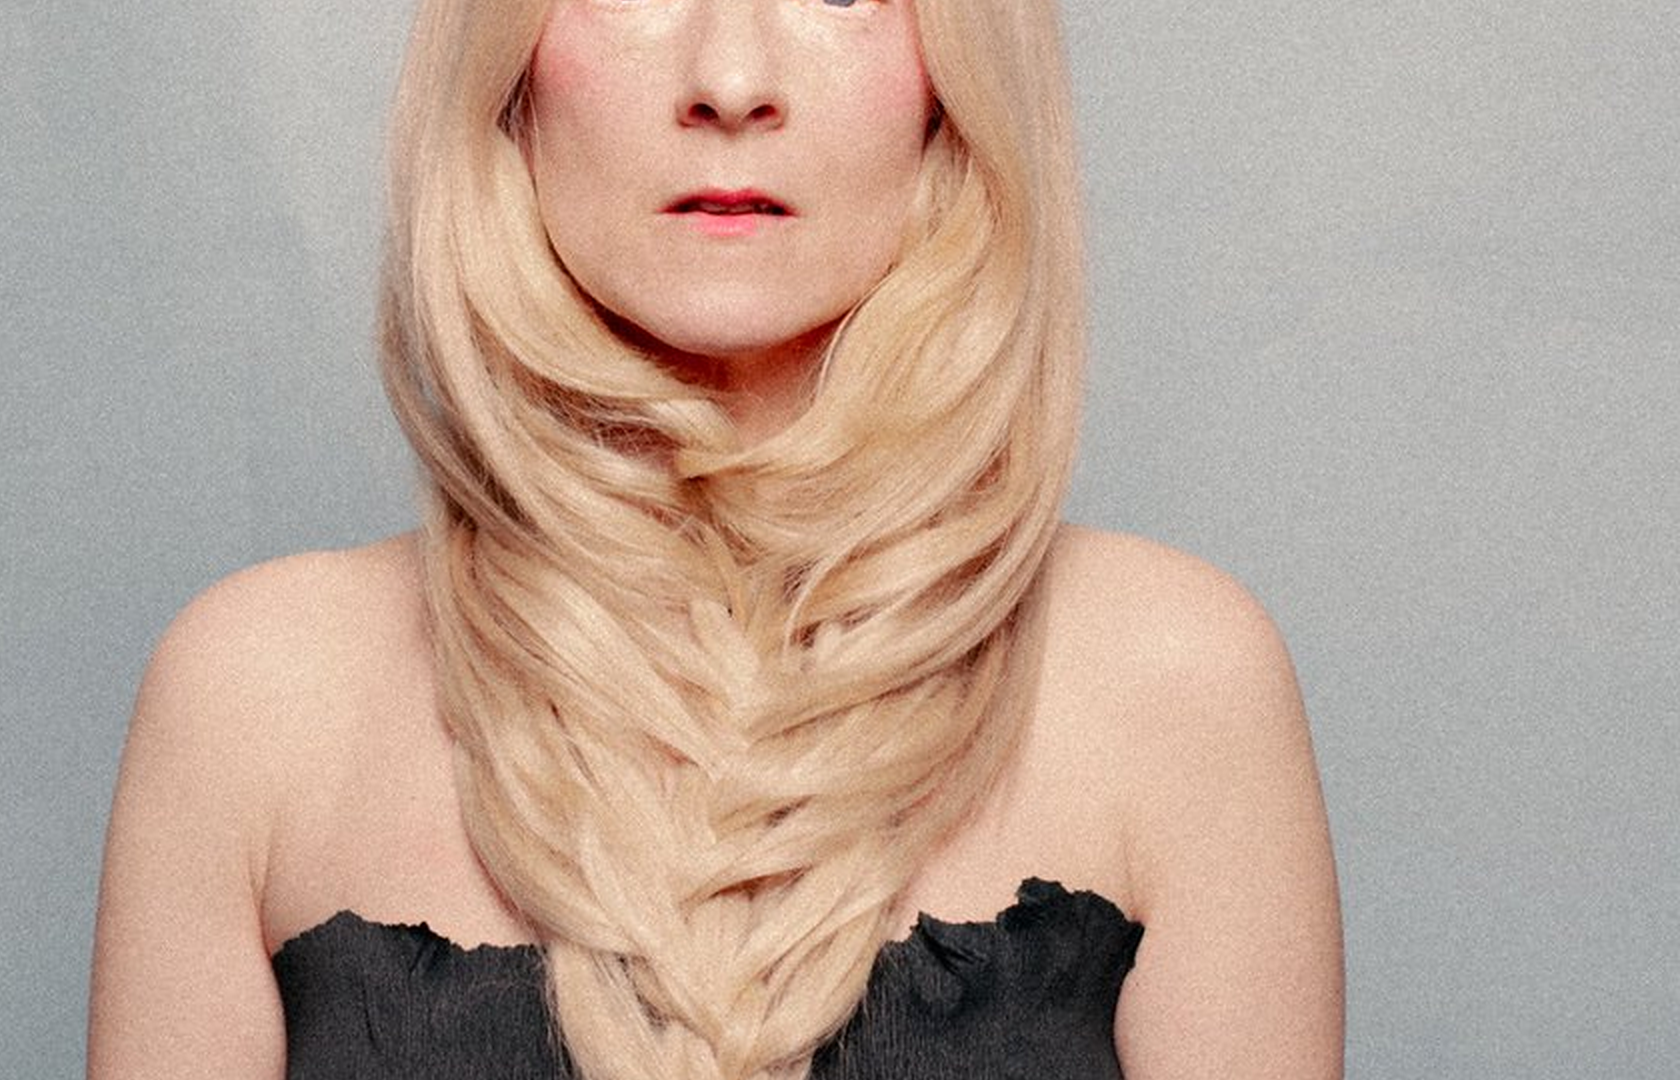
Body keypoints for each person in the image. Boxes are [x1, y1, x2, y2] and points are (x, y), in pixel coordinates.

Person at [87, 0, 1344, 1077]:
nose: (732, 81)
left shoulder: (1174, 684)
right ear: (507, 68)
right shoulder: (257, 697)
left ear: (956, 80)